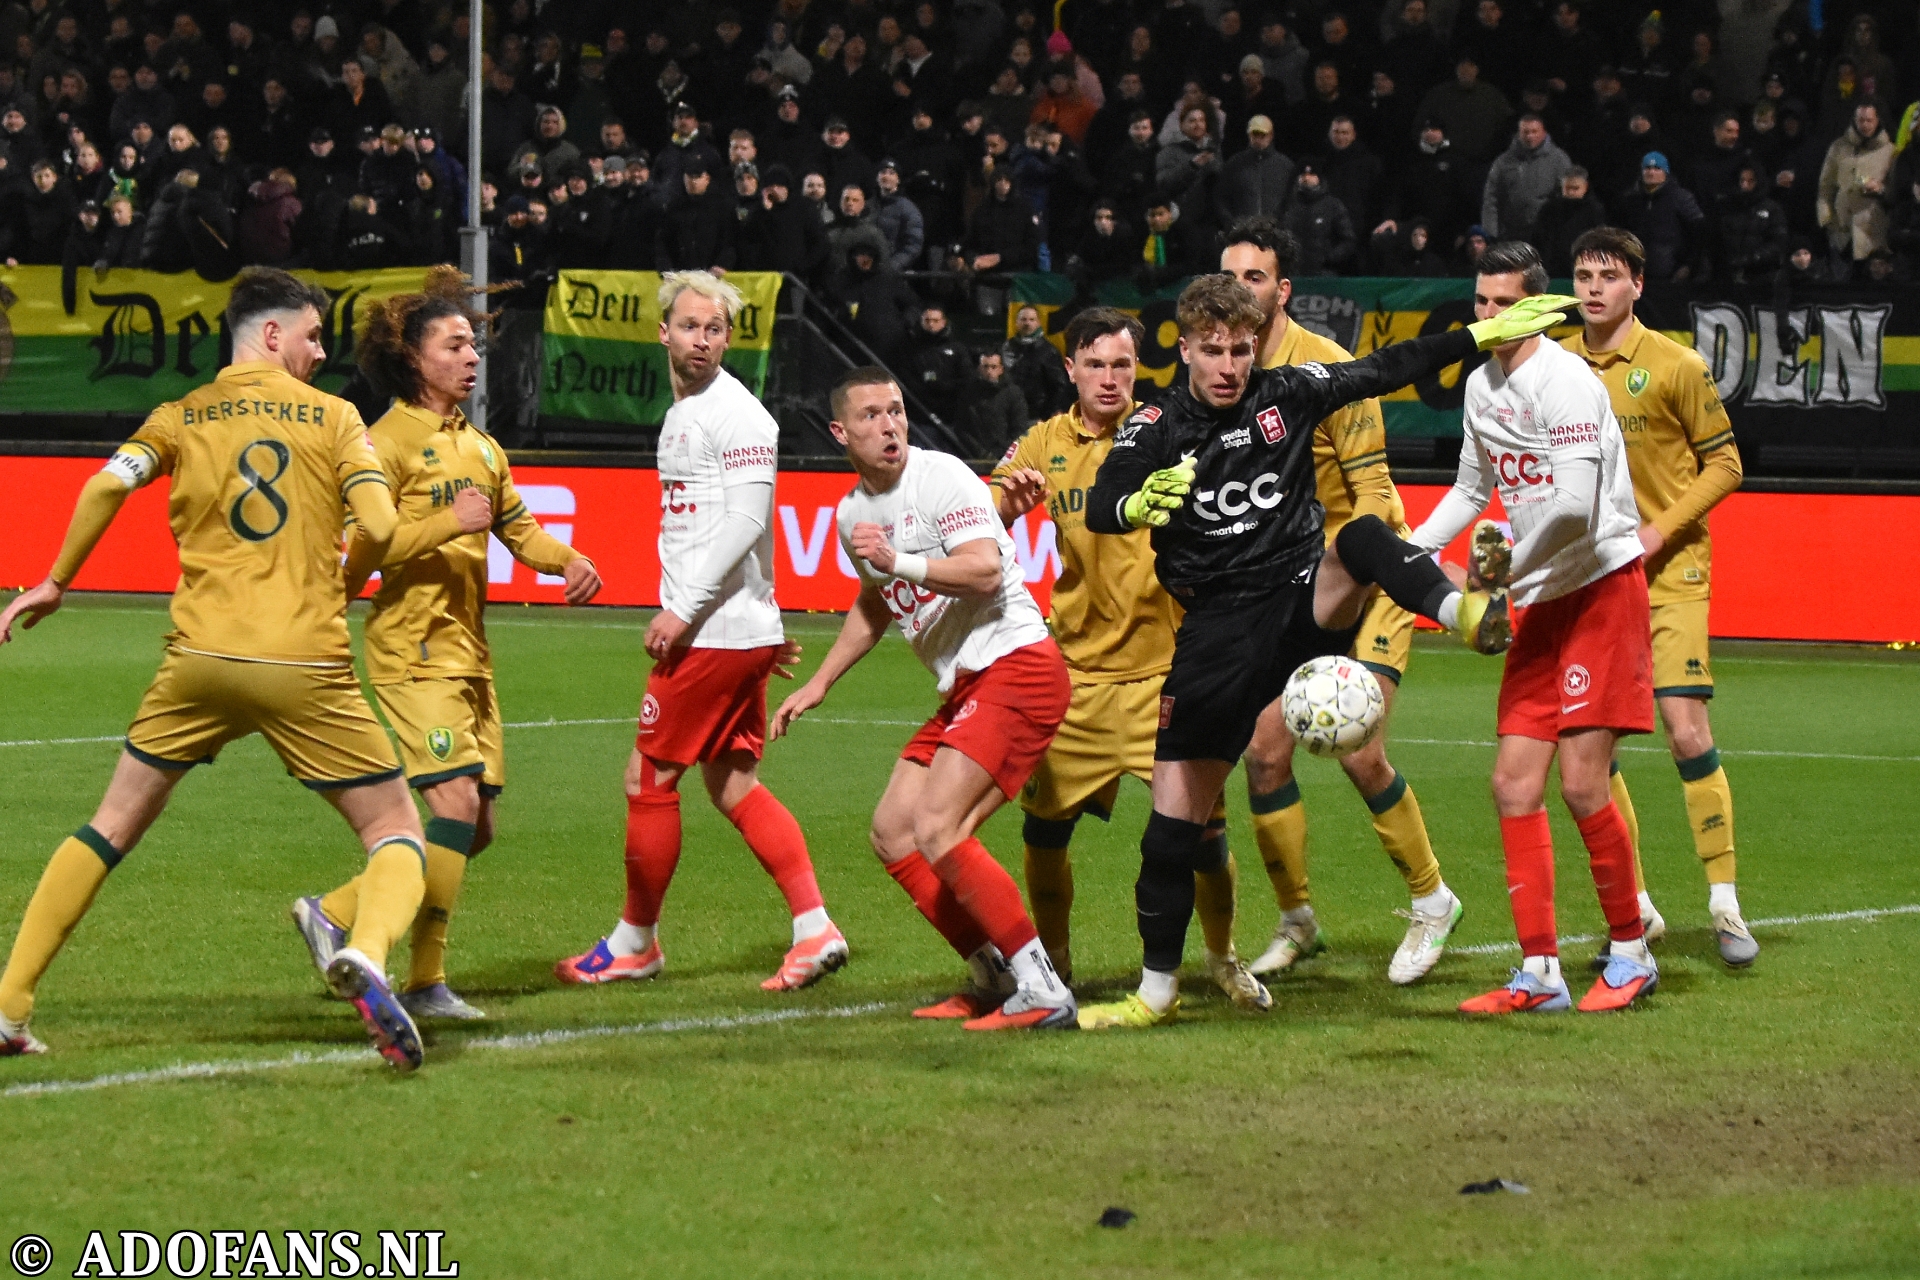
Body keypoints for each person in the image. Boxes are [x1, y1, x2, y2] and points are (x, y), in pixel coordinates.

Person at [1076, 271, 1572, 1028]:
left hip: (1300, 597)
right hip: (1215, 632)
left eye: (1242, 350)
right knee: (1173, 828)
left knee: (1359, 540)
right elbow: (1109, 497)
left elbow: (1389, 366)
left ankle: (1465, 613)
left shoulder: (1287, 392)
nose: (1229, 366)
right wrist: (1137, 503)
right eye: (1213, 351)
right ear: (1185, 349)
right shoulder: (1154, 425)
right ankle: (1155, 993)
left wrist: (1482, 335)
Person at [0, 269, 430, 1070]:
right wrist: (347, 578)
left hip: (197, 660)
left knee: (111, 823)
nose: (320, 350)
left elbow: (104, 484)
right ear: (271, 335)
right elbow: (377, 522)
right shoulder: (338, 418)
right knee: (395, 829)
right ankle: (367, 950)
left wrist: (57, 579)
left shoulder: (180, 415)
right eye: (311, 335)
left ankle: (8, 1004)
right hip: (304, 659)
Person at [292, 268, 603, 1023]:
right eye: (455, 344)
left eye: (473, 344)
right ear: (414, 358)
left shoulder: (483, 448)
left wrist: (569, 562)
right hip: (412, 654)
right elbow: (361, 554)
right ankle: (425, 982)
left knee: (475, 825)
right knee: (455, 804)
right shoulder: (383, 444)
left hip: (471, 656)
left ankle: (336, 910)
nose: (472, 356)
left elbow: (518, 529)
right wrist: (447, 525)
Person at [557, 272, 848, 994]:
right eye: (689, 326)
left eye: (715, 329)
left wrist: (686, 609)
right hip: (734, 626)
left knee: (648, 778)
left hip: (711, 629)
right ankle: (814, 927)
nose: (702, 339)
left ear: (728, 338)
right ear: (664, 332)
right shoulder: (684, 413)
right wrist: (760, 625)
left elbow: (749, 521)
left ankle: (636, 943)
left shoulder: (738, 416)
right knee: (733, 782)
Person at [770, 368, 1075, 1032]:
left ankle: (1042, 985)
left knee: (938, 826)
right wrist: (820, 683)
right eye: (872, 415)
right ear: (841, 432)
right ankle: (994, 977)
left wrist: (900, 559)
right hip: (971, 682)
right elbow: (876, 601)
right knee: (893, 832)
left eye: (896, 411)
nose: (889, 425)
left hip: (1017, 665)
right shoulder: (854, 512)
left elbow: (985, 568)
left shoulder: (942, 479)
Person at [1402, 240, 1657, 1015]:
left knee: (1581, 783)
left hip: (1599, 590)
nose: (1486, 316)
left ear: (1538, 307)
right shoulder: (1483, 382)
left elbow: (1577, 510)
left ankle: (1630, 952)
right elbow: (1473, 486)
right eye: (1479, 302)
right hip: (1542, 601)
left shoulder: (1566, 382)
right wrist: (1408, 554)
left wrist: (1504, 568)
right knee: (1513, 783)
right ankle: (1540, 973)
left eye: (1502, 303)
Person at [988, 308, 1264, 1007]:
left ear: (1138, 369)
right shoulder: (1043, 443)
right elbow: (983, 508)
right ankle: (1053, 962)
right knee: (1044, 832)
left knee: (1204, 836)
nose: (1110, 379)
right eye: (1096, 365)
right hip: (1075, 678)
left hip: (1166, 674)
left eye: (1122, 364)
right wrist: (1004, 505)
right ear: (1070, 370)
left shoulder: (1173, 430)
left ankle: (1223, 957)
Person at [1218, 220, 1466, 985]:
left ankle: (1433, 900)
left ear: (1282, 290)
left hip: (1366, 571)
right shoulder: (1223, 372)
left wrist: (1345, 583)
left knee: (1359, 749)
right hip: (1288, 583)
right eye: (1230, 278)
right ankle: (1298, 922)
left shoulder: (1330, 370)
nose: (1241, 293)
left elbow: (1369, 496)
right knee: (1263, 755)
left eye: (1255, 279)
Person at [1561, 226, 1756, 969]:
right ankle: (1636, 908)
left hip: (1671, 573)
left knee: (1684, 730)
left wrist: (1660, 530)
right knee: (1592, 744)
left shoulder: (1676, 366)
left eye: (1607, 275)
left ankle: (1725, 904)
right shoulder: (1555, 368)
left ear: (1637, 284)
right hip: (1589, 580)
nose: (1592, 288)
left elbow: (1727, 462)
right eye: (1582, 275)